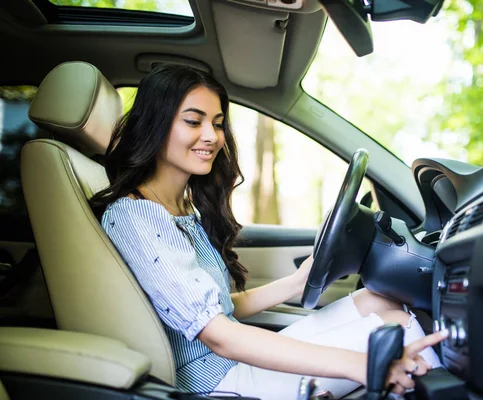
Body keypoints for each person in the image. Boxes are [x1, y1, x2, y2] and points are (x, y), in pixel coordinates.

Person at [92, 64, 448, 400]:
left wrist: (297, 281)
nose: (211, 136)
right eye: (193, 121)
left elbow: (223, 307)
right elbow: (220, 337)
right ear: (156, 125)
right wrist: (362, 365)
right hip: (218, 383)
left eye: (217, 124)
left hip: (232, 362)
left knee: (380, 301)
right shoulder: (137, 216)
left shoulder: (182, 208)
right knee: (401, 330)